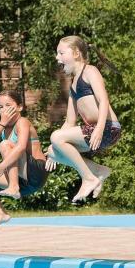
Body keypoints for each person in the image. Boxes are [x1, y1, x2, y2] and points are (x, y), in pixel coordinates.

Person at [46, 35, 122, 203]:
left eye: (61, 53)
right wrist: (55, 149)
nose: (57, 57)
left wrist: (100, 128)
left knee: (56, 137)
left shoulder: (90, 71)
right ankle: (100, 171)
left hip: (108, 128)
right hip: (96, 131)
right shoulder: (73, 85)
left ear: (76, 53)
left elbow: (104, 100)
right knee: (53, 150)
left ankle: (88, 178)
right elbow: (69, 122)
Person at [0, 90, 48, 231]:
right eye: (0, 107)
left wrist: (2, 166)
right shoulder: (4, 128)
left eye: (8, 105)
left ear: (19, 107)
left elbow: (20, 148)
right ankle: (1, 213)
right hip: (24, 182)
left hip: (37, 172)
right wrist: (2, 123)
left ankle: (13, 186)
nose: (4, 109)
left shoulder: (22, 122)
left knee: (5, 144)